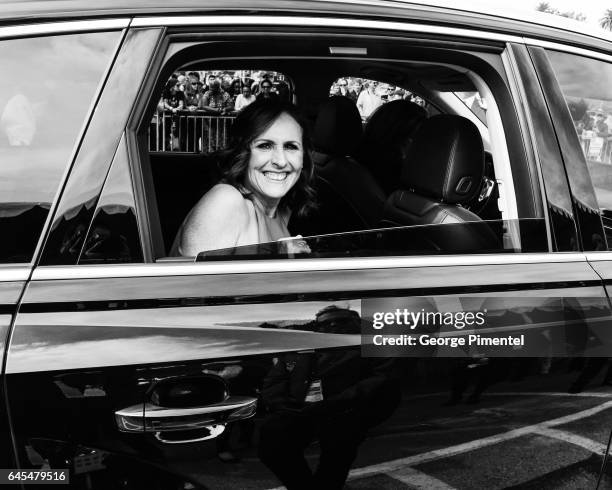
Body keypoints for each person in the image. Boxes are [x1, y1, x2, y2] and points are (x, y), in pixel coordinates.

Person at [171, 100, 316, 256]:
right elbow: (192, 280)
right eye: (265, 145)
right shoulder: (225, 201)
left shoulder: (281, 212)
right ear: (242, 153)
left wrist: (285, 255)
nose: (280, 161)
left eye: (290, 146)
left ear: (303, 158)